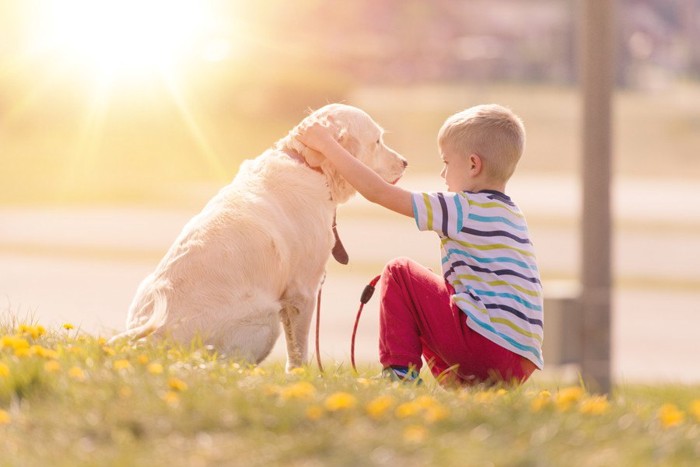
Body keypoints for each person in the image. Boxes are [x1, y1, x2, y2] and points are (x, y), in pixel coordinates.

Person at [296, 104, 542, 387]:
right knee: (434, 292)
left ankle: (400, 375)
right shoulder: (513, 216)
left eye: (447, 163)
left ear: (474, 165)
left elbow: (379, 192)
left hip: (486, 347)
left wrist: (327, 145)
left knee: (400, 273)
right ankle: (468, 389)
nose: (442, 174)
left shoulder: (462, 207)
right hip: (520, 363)